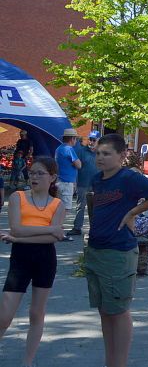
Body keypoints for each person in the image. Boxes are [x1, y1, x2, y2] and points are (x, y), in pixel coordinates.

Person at [86, 133, 148, 367]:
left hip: (119, 252)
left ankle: (119, 363)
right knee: (104, 310)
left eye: (106, 154)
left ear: (122, 156)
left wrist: (133, 212)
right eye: (98, 153)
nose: (100, 158)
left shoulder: (128, 178)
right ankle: (109, 361)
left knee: (119, 310)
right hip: (96, 251)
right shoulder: (97, 179)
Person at [0, 156, 65, 367]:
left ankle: (27, 362)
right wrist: (51, 229)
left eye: (40, 173)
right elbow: (17, 227)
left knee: (37, 312)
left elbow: (51, 239)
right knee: (5, 314)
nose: (34, 177)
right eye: (32, 172)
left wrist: (19, 238)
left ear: (52, 177)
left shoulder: (58, 204)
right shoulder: (18, 197)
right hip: (21, 259)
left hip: (45, 259)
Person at [68, 130, 100, 237]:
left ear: (98, 141)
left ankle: (95, 229)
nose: (91, 142)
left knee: (96, 208)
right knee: (80, 206)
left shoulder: (101, 153)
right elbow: (75, 167)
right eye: (90, 139)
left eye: (94, 140)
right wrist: (74, 182)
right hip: (83, 183)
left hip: (97, 185)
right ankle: (77, 228)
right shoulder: (81, 151)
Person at [54, 128, 83, 239]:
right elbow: (79, 165)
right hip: (66, 183)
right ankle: (58, 232)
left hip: (60, 181)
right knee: (65, 209)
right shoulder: (69, 149)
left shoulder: (59, 148)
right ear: (72, 138)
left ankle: (56, 230)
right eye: (75, 138)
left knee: (59, 208)